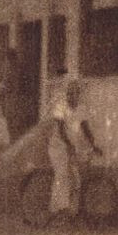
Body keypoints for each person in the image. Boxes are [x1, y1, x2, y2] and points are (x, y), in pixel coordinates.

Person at [48, 78, 103, 219]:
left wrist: (93, 145)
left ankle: (71, 211)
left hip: (72, 148)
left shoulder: (81, 108)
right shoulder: (61, 106)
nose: (73, 96)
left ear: (79, 95)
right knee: (62, 175)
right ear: (67, 94)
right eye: (70, 93)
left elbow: (86, 128)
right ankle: (57, 210)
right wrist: (68, 145)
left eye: (76, 94)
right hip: (58, 147)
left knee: (76, 180)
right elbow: (60, 130)